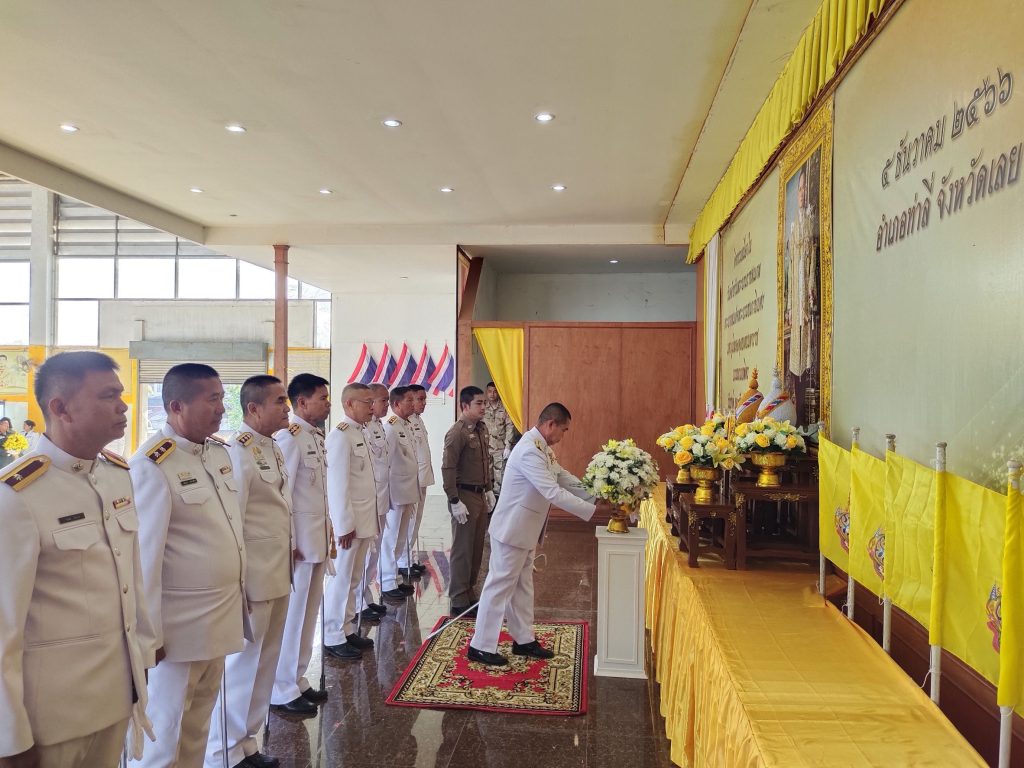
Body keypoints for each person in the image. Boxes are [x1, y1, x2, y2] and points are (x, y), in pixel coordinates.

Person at [0, 351, 150, 768]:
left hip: (115, 697)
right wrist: (9, 739)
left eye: (121, 394)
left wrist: (143, 656)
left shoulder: (116, 475)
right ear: (61, 408)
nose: (123, 406)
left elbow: (131, 579)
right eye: (107, 396)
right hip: (51, 718)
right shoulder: (17, 496)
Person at [130, 364, 248, 768]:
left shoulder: (217, 453)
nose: (221, 408)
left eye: (221, 398)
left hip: (217, 617)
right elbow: (144, 557)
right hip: (177, 629)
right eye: (211, 399)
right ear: (176, 405)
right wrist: (149, 635)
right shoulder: (152, 464)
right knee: (165, 734)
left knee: (197, 726)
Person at [468, 402, 614, 666]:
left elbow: (563, 477)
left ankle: (523, 639)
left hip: (525, 530)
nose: (563, 435)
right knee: (499, 587)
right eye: (564, 430)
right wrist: (594, 512)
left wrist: (595, 494)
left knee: (523, 586)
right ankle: (480, 645)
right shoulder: (529, 451)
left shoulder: (541, 448)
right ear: (550, 425)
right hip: (512, 530)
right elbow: (552, 492)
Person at [206, 375, 294, 768]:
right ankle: (223, 750)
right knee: (243, 666)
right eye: (279, 401)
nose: (286, 408)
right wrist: (237, 583)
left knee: (265, 662)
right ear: (254, 408)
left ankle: (247, 742)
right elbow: (234, 521)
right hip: (254, 577)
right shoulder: (238, 452)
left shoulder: (271, 445)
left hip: (277, 571)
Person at [270, 374, 332, 715]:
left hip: (316, 540)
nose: (327, 403)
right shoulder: (290, 438)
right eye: (322, 398)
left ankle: (296, 677)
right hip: (299, 546)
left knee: (308, 616)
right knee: (293, 618)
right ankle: (281, 687)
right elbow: (283, 495)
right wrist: (290, 540)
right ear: (303, 402)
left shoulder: (314, 436)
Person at [322, 383, 379, 661]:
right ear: (349, 404)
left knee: (354, 578)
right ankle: (332, 634)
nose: (372, 407)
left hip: (364, 520)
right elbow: (337, 485)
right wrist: (343, 525)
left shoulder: (361, 432)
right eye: (366, 402)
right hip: (350, 525)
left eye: (372, 402)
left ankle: (346, 628)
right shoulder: (340, 436)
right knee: (341, 579)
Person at [441, 386, 494, 617]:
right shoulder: (457, 433)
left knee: (476, 548)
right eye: (478, 403)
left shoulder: (481, 428)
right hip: (463, 495)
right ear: (465, 406)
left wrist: (489, 489)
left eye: (484, 403)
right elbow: (448, 468)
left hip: (479, 494)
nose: (483, 407)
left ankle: (469, 591)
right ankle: (458, 597)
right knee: (462, 549)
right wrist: (454, 500)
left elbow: (485, 461)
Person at [379, 387, 419, 601]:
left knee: (401, 537)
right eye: (409, 400)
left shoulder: (407, 425)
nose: (413, 404)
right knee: (391, 538)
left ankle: (395, 577)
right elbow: (385, 464)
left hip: (407, 490)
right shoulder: (391, 428)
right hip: (395, 492)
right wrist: (386, 495)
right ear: (396, 404)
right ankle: (387, 581)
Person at [358, 383, 391, 620]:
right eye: (381, 400)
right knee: (365, 554)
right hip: (368, 501)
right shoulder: (361, 429)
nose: (384, 405)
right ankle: (358, 602)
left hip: (381, 497)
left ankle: (366, 595)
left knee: (375, 553)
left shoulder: (378, 426)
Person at [786, 166, 817, 378]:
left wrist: (811, 287)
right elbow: (790, 267)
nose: (802, 193)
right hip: (796, 290)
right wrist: (789, 305)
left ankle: (807, 374)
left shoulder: (811, 219)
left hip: (806, 285)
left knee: (807, 333)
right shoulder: (794, 225)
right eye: (800, 189)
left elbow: (813, 256)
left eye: (805, 188)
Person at [401, 384, 434, 578]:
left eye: (424, 399)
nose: (423, 403)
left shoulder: (417, 421)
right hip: (413, 481)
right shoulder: (404, 424)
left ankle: (407, 558)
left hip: (422, 478)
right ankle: (402, 561)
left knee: (416, 521)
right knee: (409, 522)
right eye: (419, 399)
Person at [482, 382, 514, 496]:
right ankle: (488, 497)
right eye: (490, 391)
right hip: (485, 446)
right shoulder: (482, 407)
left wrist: (508, 446)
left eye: (495, 391)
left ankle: (497, 498)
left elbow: (509, 427)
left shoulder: (504, 408)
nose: (492, 394)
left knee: (499, 474)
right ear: (486, 392)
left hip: (500, 447)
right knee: (486, 472)